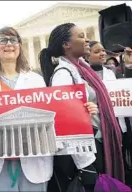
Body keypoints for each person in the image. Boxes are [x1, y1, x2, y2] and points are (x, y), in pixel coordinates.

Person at [0, 26, 97, 192]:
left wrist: (81, 112)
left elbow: (57, 117)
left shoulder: (36, 81)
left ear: (20, 46)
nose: (8, 44)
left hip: (34, 163)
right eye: (2, 40)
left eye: (13, 40)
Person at [39, 23, 125, 191]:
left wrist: (93, 108)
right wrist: (85, 163)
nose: (87, 40)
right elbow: (67, 125)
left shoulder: (82, 70)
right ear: (66, 45)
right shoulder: (63, 75)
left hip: (95, 142)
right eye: (80, 36)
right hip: (86, 152)